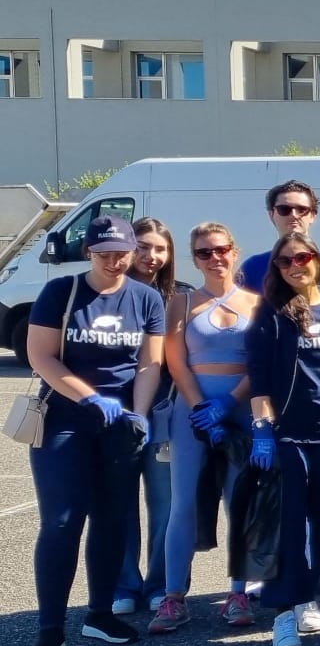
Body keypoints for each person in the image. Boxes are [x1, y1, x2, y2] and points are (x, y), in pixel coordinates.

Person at [26, 215, 165, 646]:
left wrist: (138, 415)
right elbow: (41, 356)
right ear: (88, 251)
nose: (114, 260)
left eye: (121, 252)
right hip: (65, 421)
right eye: (104, 253)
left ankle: (100, 614)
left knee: (112, 520)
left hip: (119, 426)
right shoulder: (61, 293)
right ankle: (51, 630)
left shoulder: (145, 298)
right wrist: (91, 398)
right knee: (63, 522)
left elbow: (149, 364)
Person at [149, 223, 262, 634]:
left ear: (234, 252)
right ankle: (172, 596)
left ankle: (238, 592)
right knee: (183, 504)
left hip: (241, 410)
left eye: (221, 250)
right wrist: (200, 407)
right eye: (203, 253)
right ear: (194, 259)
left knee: (241, 502)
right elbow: (174, 360)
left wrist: (229, 404)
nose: (214, 258)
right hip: (191, 413)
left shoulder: (256, 302)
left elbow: (259, 363)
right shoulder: (180, 302)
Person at [245, 233, 320, 646]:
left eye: (302, 257)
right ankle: (285, 613)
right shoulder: (270, 314)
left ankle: (308, 594)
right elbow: (259, 379)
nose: (295, 266)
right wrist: (263, 429)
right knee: (288, 523)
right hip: (288, 434)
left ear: (317, 261)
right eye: (285, 261)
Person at [113, 218, 189, 617]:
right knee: (120, 504)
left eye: (161, 249)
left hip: (164, 419)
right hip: (115, 418)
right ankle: (125, 584)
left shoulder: (182, 297)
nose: (152, 256)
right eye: (143, 246)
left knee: (165, 506)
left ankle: (161, 585)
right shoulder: (108, 294)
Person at [238, 180, 320, 293]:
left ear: (313, 216)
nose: (293, 215)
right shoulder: (252, 268)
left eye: (301, 209)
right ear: (271, 215)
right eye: (284, 209)